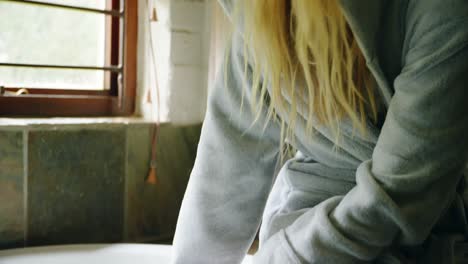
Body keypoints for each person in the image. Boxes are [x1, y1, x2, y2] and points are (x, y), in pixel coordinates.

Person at [172, 0, 468, 263]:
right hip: (306, 224)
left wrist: (282, 257)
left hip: (422, 229)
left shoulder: (444, 10)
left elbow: (403, 191)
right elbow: (225, 176)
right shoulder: (259, 18)